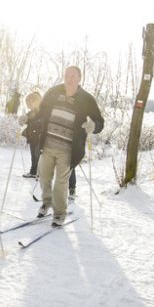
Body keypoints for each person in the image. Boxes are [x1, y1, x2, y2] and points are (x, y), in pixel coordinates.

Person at [31, 65, 104, 226]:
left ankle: (59, 213)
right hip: (48, 145)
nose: (69, 79)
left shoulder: (86, 99)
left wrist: (93, 126)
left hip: (69, 150)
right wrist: (27, 118)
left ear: (79, 79)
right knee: (43, 176)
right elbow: (40, 111)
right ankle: (47, 202)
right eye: (67, 75)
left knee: (60, 184)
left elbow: (99, 121)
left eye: (73, 76)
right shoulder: (53, 92)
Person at [20, 90, 42, 178]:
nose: (29, 105)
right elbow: (29, 117)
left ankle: (39, 173)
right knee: (33, 155)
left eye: (30, 102)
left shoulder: (42, 110)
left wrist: (32, 122)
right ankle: (33, 172)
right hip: (32, 135)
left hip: (39, 136)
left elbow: (40, 121)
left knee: (38, 155)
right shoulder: (32, 111)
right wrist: (23, 119)